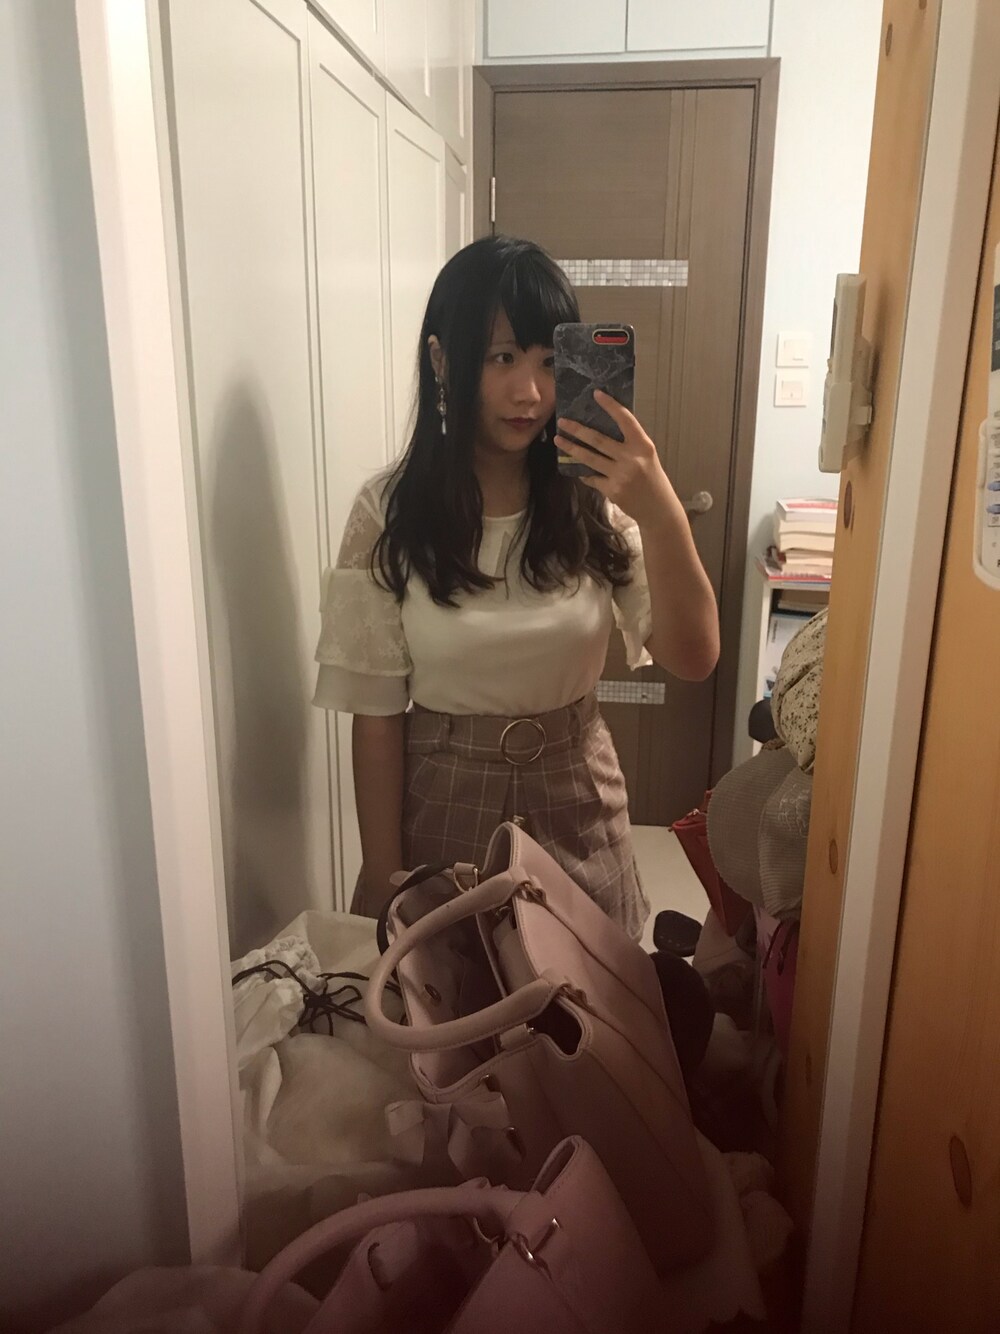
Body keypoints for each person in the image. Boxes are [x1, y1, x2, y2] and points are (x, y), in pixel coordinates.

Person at [313, 236, 718, 940]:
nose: (530, 391)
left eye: (548, 361)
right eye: (502, 358)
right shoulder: (388, 512)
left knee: (591, 998)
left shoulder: (597, 501)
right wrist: (381, 876)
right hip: (441, 804)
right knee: (453, 998)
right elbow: (376, 717)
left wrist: (661, 512)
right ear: (443, 359)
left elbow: (694, 656)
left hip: (578, 800)